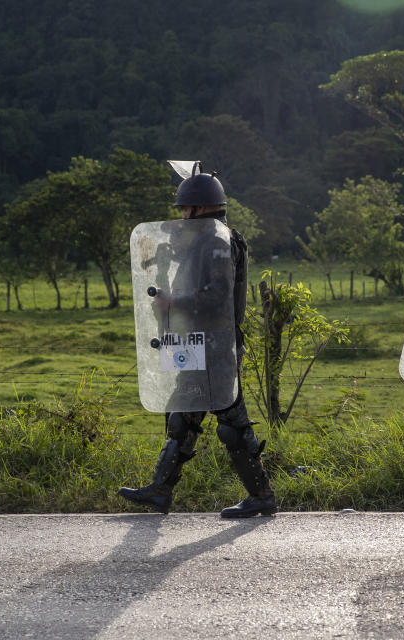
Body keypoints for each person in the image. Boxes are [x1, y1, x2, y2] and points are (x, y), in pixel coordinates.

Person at [118, 167, 277, 518]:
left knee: (231, 424)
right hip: (197, 343)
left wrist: (176, 301)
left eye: (185, 208)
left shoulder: (219, 241)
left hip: (217, 346)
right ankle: (161, 490)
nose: (181, 215)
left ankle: (262, 495)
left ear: (200, 208)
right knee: (183, 418)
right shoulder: (202, 240)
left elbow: (218, 295)